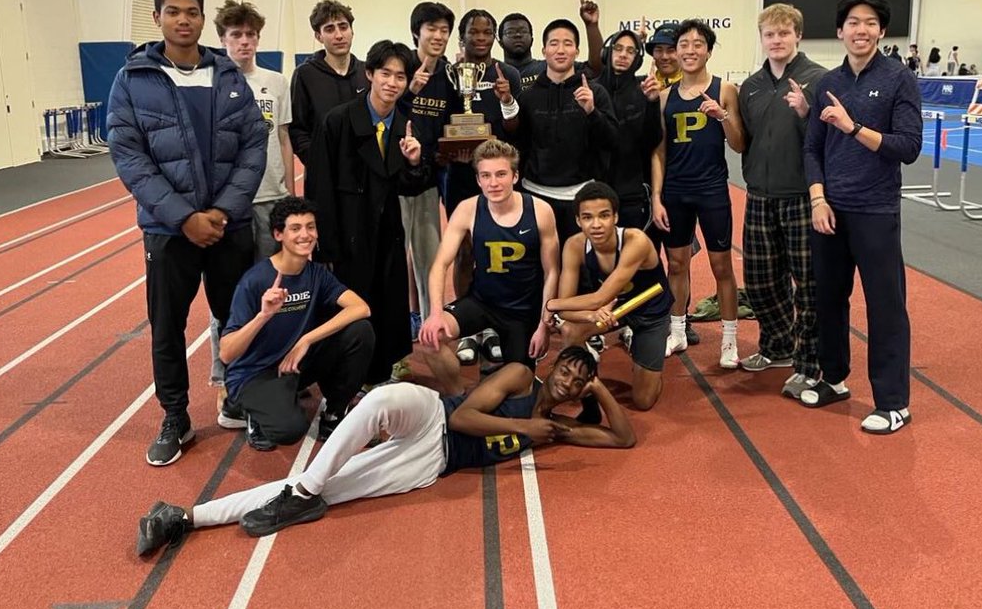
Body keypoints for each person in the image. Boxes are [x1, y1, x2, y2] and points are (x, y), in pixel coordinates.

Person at [135, 347, 634, 554]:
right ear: (555, 366)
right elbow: (462, 417)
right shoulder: (524, 376)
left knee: (332, 487)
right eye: (569, 370)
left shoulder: (559, 430)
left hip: (431, 462)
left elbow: (622, 438)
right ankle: (306, 489)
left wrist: (601, 389)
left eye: (580, 380)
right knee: (384, 397)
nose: (570, 380)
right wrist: (525, 422)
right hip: (433, 414)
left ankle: (184, 518)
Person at [108, 0, 266, 466]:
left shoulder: (229, 77)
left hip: (227, 226)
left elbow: (253, 148)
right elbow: (130, 158)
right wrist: (183, 218)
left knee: (237, 318)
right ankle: (175, 416)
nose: (183, 20)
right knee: (167, 326)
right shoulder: (132, 80)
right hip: (167, 231)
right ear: (156, 18)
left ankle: (240, 397)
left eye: (191, 12)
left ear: (202, 18)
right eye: (173, 11)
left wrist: (220, 212)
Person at [801, 0, 922, 435]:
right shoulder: (826, 82)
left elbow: (908, 148)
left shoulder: (898, 79)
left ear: (882, 31)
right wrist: (817, 198)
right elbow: (812, 148)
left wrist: (854, 128)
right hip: (830, 211)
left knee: (885, 306)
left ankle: (893, 402)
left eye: (871, 22)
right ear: (840, 30)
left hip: (875, 210)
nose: (861, 30)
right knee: (829, 299)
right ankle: (833, 378)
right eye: (853, 22)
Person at [309, 40, 433, 387]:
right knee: (351, 302)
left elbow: (411, 186)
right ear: (370, 74)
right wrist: (325, 246)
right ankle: (346, 375)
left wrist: (413, 162)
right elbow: (319, 186)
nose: (392, 83)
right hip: (348, 231)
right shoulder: (338, 120)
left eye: (400, 76)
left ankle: (384, 368)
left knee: (388, 300)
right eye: (385, 74)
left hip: (388, 231)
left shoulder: (407, 125)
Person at [217, 197, 375, 449]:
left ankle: (334, 414)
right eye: (296, 228)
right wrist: (263, 315)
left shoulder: (316, 274)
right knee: (290, 431)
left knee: (360, 332)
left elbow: (361, 308)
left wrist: (307, 339)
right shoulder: (255, 281)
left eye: (310, 227)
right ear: (278, 234)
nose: (305, 235)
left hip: (294, 363)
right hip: (256, 373)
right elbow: (226, 353)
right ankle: (249, 412)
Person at [205, 0, 295, 411]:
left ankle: (270, 365)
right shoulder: (211, 83)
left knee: (275, 289)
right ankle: (225, 376)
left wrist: (291, 195)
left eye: (250, 35)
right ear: (222, 40)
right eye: (235, 36)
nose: (244, 42)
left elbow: (283, 139)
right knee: (230, 293)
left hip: (273, 198)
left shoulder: (276, 82)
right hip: (232, 205)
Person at [736, 3, 827, 399]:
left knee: (808, 285)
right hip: (759, 195)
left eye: (784, 33)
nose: (776, 41)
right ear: (762, 39)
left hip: (801, 197)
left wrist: (807, 112)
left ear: (798, 36)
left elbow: (829, 141)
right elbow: (747, 139)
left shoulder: (819, 79)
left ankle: (810, 363)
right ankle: (777, 346)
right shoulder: (751, 86)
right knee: (759, 281)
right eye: (770, 35)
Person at [419, 140, 560, 393]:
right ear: (478, 180)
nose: (493, 183)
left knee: (519, 389)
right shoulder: (467, 209)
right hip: (482, 302)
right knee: (431, 339)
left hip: (521, 311)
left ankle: (513, 383)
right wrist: (435, 313)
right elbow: (440, 264)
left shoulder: (540, 211)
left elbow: (552, 272)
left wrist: (544, 325)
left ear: (515, 176)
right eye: (486, 175)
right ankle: (458, 398)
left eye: (501, 174)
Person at [651, 19, 745, 368]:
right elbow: (658, 151)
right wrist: (656, 196)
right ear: (675, 52)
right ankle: (676, 330)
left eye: (697, 44)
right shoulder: (664, 97)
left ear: (708, 49)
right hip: (675, 190)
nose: (690, 51)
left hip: (711, 189)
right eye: (683, 45)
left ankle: (730, 339)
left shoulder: (725, 90)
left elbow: (738, 143)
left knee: (721, 265)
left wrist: (721, 116)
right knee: (675, 263)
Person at [547, 182, 673, 416]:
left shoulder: (636, 241)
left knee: (643, 400)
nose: (596, 224)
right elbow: (567, 311)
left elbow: (595, 298)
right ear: (578, 221)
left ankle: (649, 368)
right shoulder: (574, 245)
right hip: (615, 308)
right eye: (587, 217)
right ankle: (584, 388)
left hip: (650, 311)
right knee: (571, 331)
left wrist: (550, 304)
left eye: (604, 215)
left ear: (615, 217)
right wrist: (589, 315)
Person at [447, 10, 525, 363]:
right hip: (463, 177)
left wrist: (507, 100)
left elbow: (516, 129)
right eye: (473, 32)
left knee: (496, 254)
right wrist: (448, 151)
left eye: (487, 32)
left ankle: (493, 325)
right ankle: (468, 328)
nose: (480, 38)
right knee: (465, 252)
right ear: (461, 36)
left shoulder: (506, 73)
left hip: (497, 180)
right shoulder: (450, 74)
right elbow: (443, 124)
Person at [507, 18, 618, 243]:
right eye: (554, 43)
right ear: (543, 50)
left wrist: (592, 111)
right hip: (535, 194)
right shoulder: (528, 97)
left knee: (578, 269)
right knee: (540, 268)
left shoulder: (594, 92)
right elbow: (519, 145)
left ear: (577, 50)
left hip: (580, 195)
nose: (560, 50)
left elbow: (612, 141)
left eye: (567, 43)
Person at [399, 2, 461, 353]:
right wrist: (409, 91)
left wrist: (448, 153)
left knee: (428, 254)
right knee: (396, 254)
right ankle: (399, 321)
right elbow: (383, 111)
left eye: (443, 30)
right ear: (416, 33)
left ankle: (429, 320)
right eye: (431, 29)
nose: (438, 36)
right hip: (396, 178)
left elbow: (456, 123)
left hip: (431, 178)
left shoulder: (451, 76)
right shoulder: (400, 68)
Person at [596, 29, 662, 231]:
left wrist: (652, 103)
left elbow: (652, 141)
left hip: (631, 192)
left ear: (637, 58)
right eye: (618, 48)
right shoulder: (591, 90)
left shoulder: (643, 91)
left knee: (635, 257)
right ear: (608, 52)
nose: (623, 55)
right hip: (596, 190)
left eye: (631, 51)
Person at [290, 0, 365, 165]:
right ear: (318, 36)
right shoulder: (304, 75)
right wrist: (318, 162)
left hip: (364, 176)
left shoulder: (367, 72)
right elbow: (297, 129)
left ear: (352, 31)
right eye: (329, 29)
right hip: (323, 176)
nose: (339, 35)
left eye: (343, 27)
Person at [498, 0, 605, 90]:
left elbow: (594, 69)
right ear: (500, 41)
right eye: (510, 32)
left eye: (523, 31)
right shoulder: (494, 74)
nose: (518, 35)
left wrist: (592, 26)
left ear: (532, 39)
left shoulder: (551, 66)